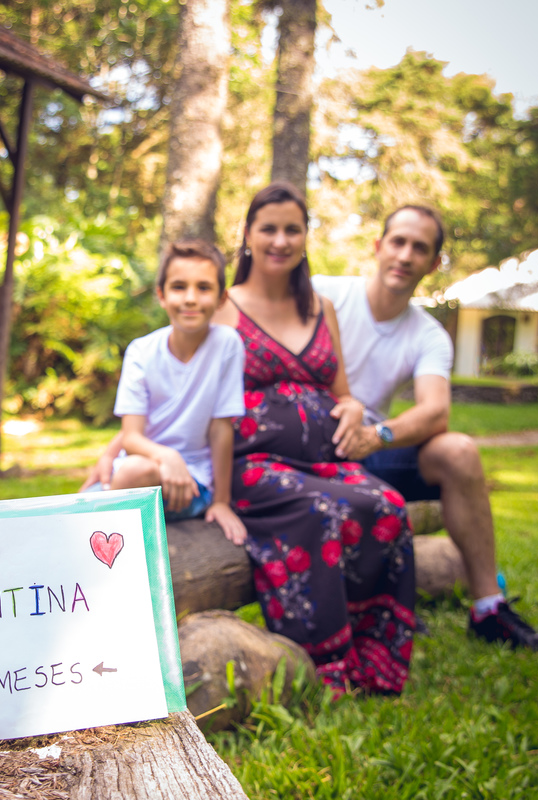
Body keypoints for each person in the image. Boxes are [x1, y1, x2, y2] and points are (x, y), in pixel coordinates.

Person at [311, 205, 538, 652]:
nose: (405, 256)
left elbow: (435, 411)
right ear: (378, 247)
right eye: (398, 242)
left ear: (434, 264)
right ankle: (369, 604)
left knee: (459, 451)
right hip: (309, 446)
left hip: (369, 448)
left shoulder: (427, 335)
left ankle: (489, 607)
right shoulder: (322, 293)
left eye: (420, 248)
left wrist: (377, 436)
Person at [212, 182, 417, 696]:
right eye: (269, 229)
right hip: (253, 465)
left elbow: (340, 391)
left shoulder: (321, 307)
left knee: (388, 505)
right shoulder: (223, 307)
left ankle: (377, 657)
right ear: (248, 236)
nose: (280, 240)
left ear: (305, 238)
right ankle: (325, 665)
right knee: (322, 513)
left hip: (327, 459)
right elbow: (192, 395)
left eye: (292, 230)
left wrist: (349, 407)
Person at [88, 240, 248, 545]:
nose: (190, 298)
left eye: (203, 287)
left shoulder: (227, 345)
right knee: (73, 507)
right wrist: (166, 456)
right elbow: (132, 436)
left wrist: (222, 501)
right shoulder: (141, 351)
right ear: (161, 295)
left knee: (131, 475)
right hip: (138, 467)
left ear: (221, 298)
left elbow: (220, 428)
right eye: (178, 287)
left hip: (192, 482)